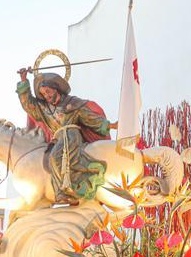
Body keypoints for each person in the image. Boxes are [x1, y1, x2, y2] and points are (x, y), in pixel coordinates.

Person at [16, 68, 117, 205]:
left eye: (48, 91)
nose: (46, 95)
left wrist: (110, 125)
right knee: (48, 159)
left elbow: (90, 118)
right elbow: (28, 104)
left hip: (71, 135)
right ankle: (62, 187)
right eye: (43, 94)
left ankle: (64, 191)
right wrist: (23, 81)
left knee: (55, 156)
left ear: (55, 88)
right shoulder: (44, 108)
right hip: (58, 138)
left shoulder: (73, 103)